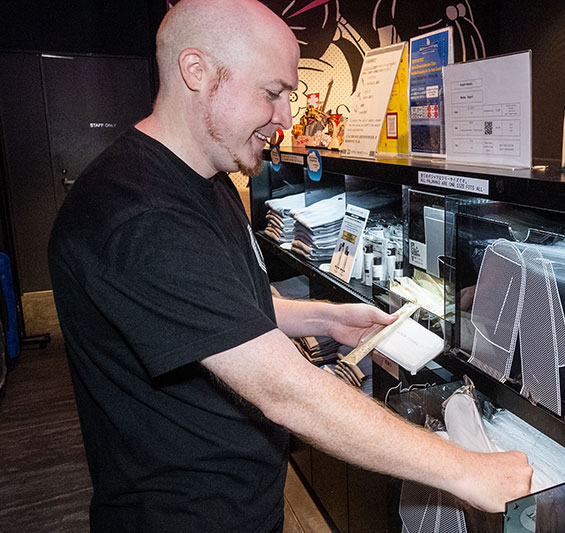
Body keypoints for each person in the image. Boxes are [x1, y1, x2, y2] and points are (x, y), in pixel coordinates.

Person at [48, 0, 533, 530]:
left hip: (243, 502)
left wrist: (323, 318)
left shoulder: (206, 180)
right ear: (197, 71)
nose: (285, 118)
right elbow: (282, 389)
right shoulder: (137, 213)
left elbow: (229, 301)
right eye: (272, 93)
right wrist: (465, 470)